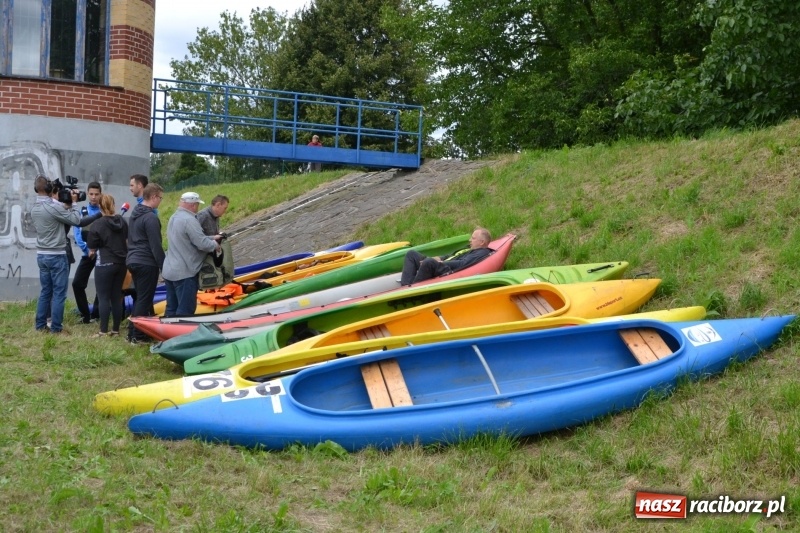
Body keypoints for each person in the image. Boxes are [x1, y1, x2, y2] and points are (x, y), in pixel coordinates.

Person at [31, 175, 83, 334]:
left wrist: (65, 205)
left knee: (46, 291)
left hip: (41, 255)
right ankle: (56, 328)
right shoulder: (53, 208)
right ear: (48, 189)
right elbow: (76, 220)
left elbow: (56, 212)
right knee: (59, 293)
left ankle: (40, 325)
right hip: (57, 255)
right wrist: (73, 203)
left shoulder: (35, 208)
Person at [162, 192, 222, 317]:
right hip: (184, 273)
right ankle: (182, 334)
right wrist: (215, 245)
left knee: (171, 309)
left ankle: (167, 334)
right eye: (197, 205)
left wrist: (212, 237)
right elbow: (201, 243)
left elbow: (189, 237)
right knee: (185, 310)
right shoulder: (189, 220)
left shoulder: (174, 217)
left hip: (169, 270)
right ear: (193, 205)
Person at [126, 183, 165, 343]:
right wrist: (164, 266)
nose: (160, 201)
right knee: (144, 299)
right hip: (146, 262)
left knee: (141, 298)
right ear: (154, 196)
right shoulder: (150, 217)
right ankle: (137, 335)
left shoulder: (134, 213)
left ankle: (136, 332)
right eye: (160, 198)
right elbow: (155, 245)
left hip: (133, 259)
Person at [85, 194, 128, 337]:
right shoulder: (122, 221)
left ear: (100, 206)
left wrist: (92, 252)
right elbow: (127, 241)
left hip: (104, 263)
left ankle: (103, 331)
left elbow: (91, 248)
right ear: (113, 204)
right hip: (121, 263)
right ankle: (115, 330)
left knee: (103, 298)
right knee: (116, 297)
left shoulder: (97, 224)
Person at [399, 228, 493, 286]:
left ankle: (411, 289)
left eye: (473, 238)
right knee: (411, 254)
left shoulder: (481, 252)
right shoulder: (469, 249)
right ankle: (406, 285)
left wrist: (440, 263)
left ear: (482, 242)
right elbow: (452, 255)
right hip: (444, 264)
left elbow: (462, 263)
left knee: (428, 262)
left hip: (448, 270)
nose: (469, 240)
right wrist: (440, 258)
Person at [71, 181, 102, 323]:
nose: (94, 197)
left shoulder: (104, 212)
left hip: (102, 255)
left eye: (96, 194)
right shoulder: (83, 211)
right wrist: (87, 249)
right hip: (87, 254)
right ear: (88, 194)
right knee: (77, 284)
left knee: (102, 285)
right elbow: (77, 234)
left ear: (101, 195)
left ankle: (96, 314)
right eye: (91, 194)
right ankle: (85, 315)